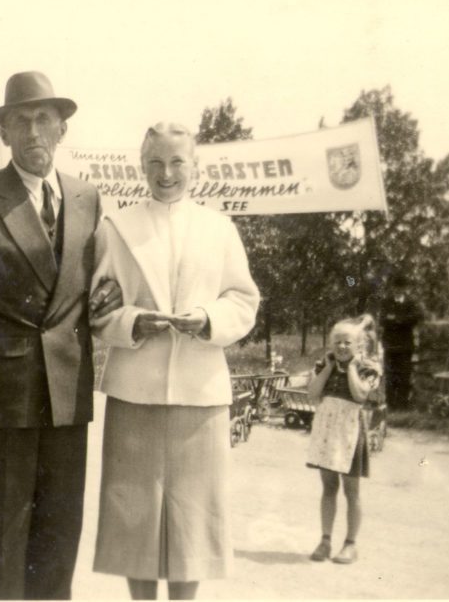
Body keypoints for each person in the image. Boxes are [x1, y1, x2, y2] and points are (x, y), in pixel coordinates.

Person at [0, 71, 121, 600]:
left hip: (66, 395)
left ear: (62, 129)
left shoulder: (87, 199)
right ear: (5, 134)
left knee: (59, 542)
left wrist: (113, 296)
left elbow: (100, 280)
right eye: (21, 121)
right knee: (2, 544)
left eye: (44, 119)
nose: (33, 131)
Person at [89, 122, 259, 600]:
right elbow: (98, 310)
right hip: (133, 391)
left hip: (200, 393)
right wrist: (133, 324)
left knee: (193, 519)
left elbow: (244, 301)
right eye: (156, 162)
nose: (167, 173)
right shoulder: (116, 228)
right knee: (135, 517)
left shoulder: (219, 228)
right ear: (141, 166)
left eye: (177, 162)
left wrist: (207, 319)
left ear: (195, 166)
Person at [306, 315, 382, 565]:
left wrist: (350, 368)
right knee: (328, 488)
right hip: (327, 432)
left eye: (347, 342)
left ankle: (350, 544)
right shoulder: (323, 366)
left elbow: (360, 395)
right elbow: (313, 394)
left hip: (351, 432)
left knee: (352, 491)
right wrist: (328, 368)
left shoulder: (368, 368)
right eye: (337, 342)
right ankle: (325, 540)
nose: (341, 347)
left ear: (358, 345)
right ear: (330, 344)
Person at [378, 274, 423, 410]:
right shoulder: (386, 302)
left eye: (401, 288)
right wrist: (402, 320)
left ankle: (402, 405)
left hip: (405, 346)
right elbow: (382, 320)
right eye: (396, 288)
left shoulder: (411, 302)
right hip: (390, 345)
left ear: (405, 288)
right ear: (392, 288)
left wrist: (395, 319)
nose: (398, 290)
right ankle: (390, 404)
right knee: (390, 375)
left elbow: (416, 317)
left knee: (404, 375)